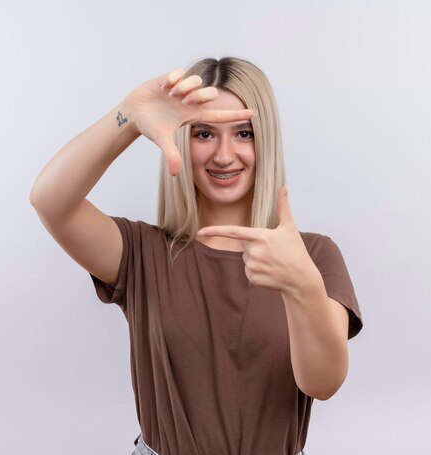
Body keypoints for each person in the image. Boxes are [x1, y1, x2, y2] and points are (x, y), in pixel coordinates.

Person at [30, 56, 364, 455]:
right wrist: (128, 117)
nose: (224, 155)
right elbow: (50, 200)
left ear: (267, 141)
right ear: (181, 140)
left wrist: (303, 286)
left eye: (244, 133)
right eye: (204, 133)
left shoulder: (313, 255)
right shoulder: (142, 253)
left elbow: (323, 384)